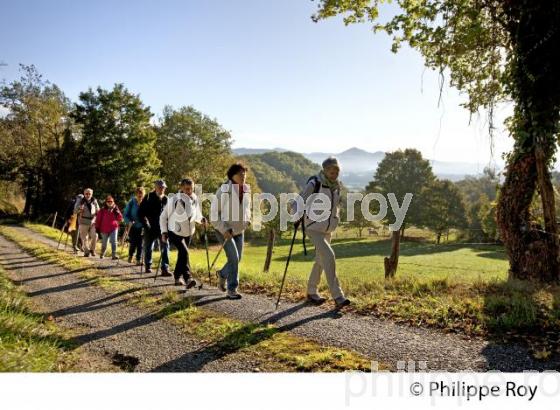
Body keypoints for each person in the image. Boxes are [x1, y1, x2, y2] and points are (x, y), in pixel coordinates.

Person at [297, 157, 350, 308]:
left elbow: (335, 206)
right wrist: (297, 216)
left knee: (320, 261)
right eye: (332, 171)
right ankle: (338, 296)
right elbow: (298, 202)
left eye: (337, 171)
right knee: (329, 256)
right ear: (324, 170)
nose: (334, 174)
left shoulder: (336, 186)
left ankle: (311, 292)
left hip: (328, 228)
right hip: (313, 227)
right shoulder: (315, 183)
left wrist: (336, 217)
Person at [211, 163, 251, 300]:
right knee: (233, 258)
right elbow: (214, 214)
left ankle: (222, 274)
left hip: (239, 230)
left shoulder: (246, 189)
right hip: (225, 230)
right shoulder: (224, 190)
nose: (243, 176)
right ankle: (232, 289)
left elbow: (246, 208)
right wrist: (224, 229)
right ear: (232, 175)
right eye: (240, 173)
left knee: (237, 258)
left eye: (244, 173)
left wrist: (247, 219)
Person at [160, 178, 207, 289]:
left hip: (188, 232)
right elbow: (163, 217)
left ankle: (177, 277)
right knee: (184, 252)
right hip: (174, 231)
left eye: (191, 189)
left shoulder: (195, 198)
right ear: (181, 188)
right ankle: (188, 278)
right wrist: (164, 232)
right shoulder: (174, 200)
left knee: (182, 255)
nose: (189, 191)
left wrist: (202, 220)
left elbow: (197, 215)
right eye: (187, 189)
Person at [138, 179, 170, 275]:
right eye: (160, 187)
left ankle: (165, 268)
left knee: (165, 246)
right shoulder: (148, 197)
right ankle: (148, 265)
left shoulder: (167, 199)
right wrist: (146, 225)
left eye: (163, 187)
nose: (162, 189)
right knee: (149, 247)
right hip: (150, 227)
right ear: (155, 187)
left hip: (163, 228)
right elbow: (140, 213)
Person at [74, 188, 100, 257]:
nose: (88, 195)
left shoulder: (94, 201)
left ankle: (92, 249)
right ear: (84, 194)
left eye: (89, 194)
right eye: (86, 194)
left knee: (95, 235)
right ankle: (86, 251)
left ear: (92, 194)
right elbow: (75, 211)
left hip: (93, 222)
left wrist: (95, 218)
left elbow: (98, 211)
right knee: (84, 238)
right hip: (83, 221)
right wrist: (80, 209)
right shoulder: (80, 201)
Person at [123, 187, 145, 265]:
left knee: (140, 243)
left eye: (141, 193)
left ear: (143, 194)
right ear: (136, 194)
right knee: (133, 242)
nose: (140, 195)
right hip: (132, 226)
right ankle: (130, 255)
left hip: (142, 226)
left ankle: (138, 259)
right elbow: (125, 214)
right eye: (138, 193)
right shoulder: (132, 202)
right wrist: (128, 221)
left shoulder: (145, 202)